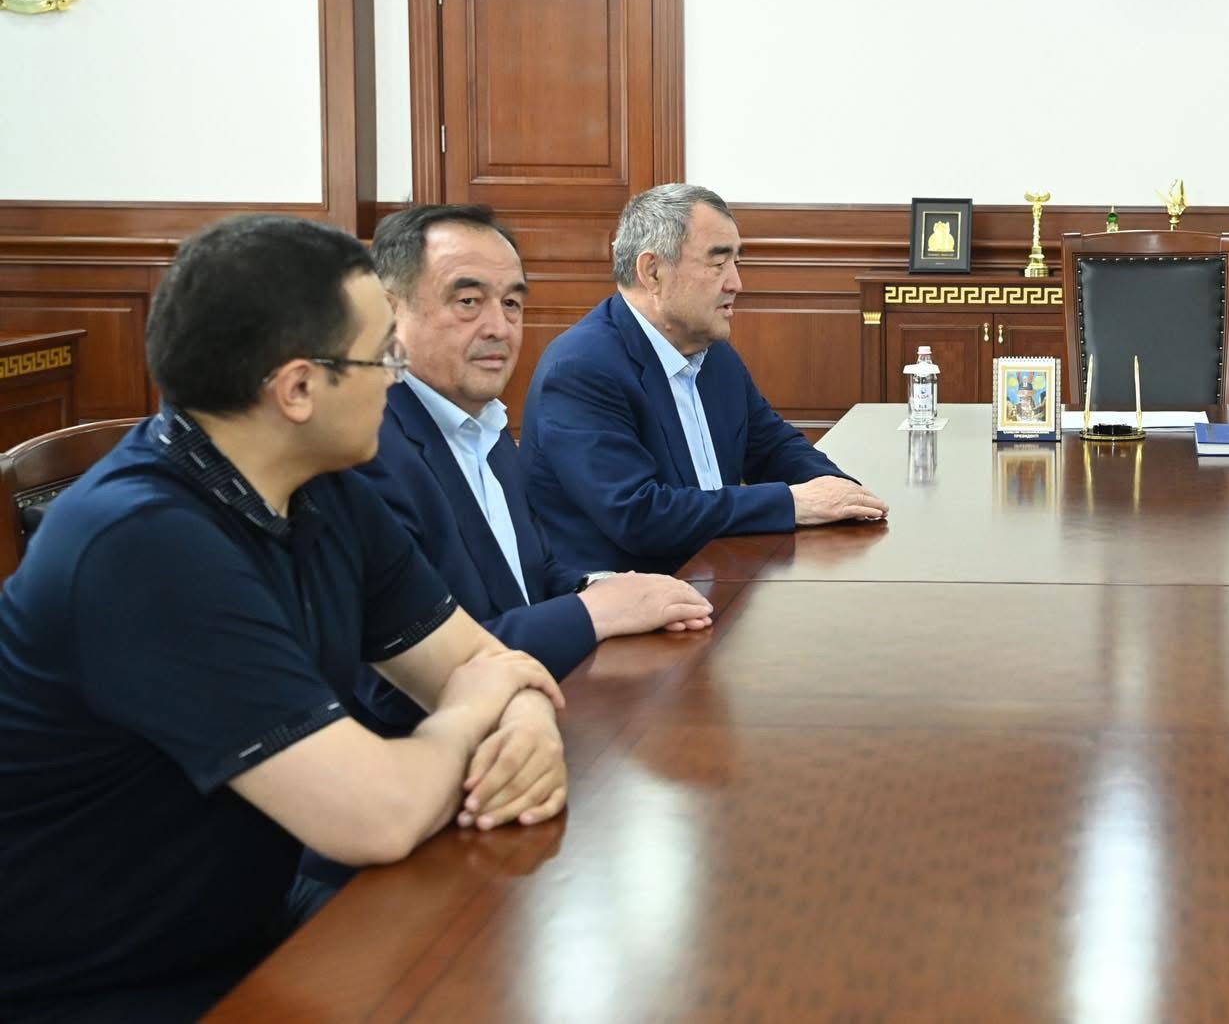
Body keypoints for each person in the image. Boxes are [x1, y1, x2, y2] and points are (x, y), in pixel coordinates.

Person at [0, 215, 568, 1022]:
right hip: (101, 986)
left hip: (245, 925)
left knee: (515, 963)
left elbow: (485, 662)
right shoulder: (142, 545)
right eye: (382, 357)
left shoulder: (326, 486)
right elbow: (376, 816)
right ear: (297, 389)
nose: (395, 378)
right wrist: (480, 707)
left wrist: (531, 723)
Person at [355, 204, 714, 734]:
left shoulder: (488, 425)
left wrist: (607, 587)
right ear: (389, 312)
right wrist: (596, 613)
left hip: (536, 711)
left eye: (512, 303)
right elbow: (396, 686)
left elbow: (530, 575)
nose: (499, 328)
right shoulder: (366, 449)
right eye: (468, 302)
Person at [525, 184, 889, 576]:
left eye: (736, 262)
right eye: (718, 264)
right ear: (652, 272)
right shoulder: (581, 369)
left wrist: (841, 492)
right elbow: (639, 515)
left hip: (714, 575)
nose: (736, 283)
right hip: (626, 594)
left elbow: (772, 446)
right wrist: (793, 503)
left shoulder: (712, 353)